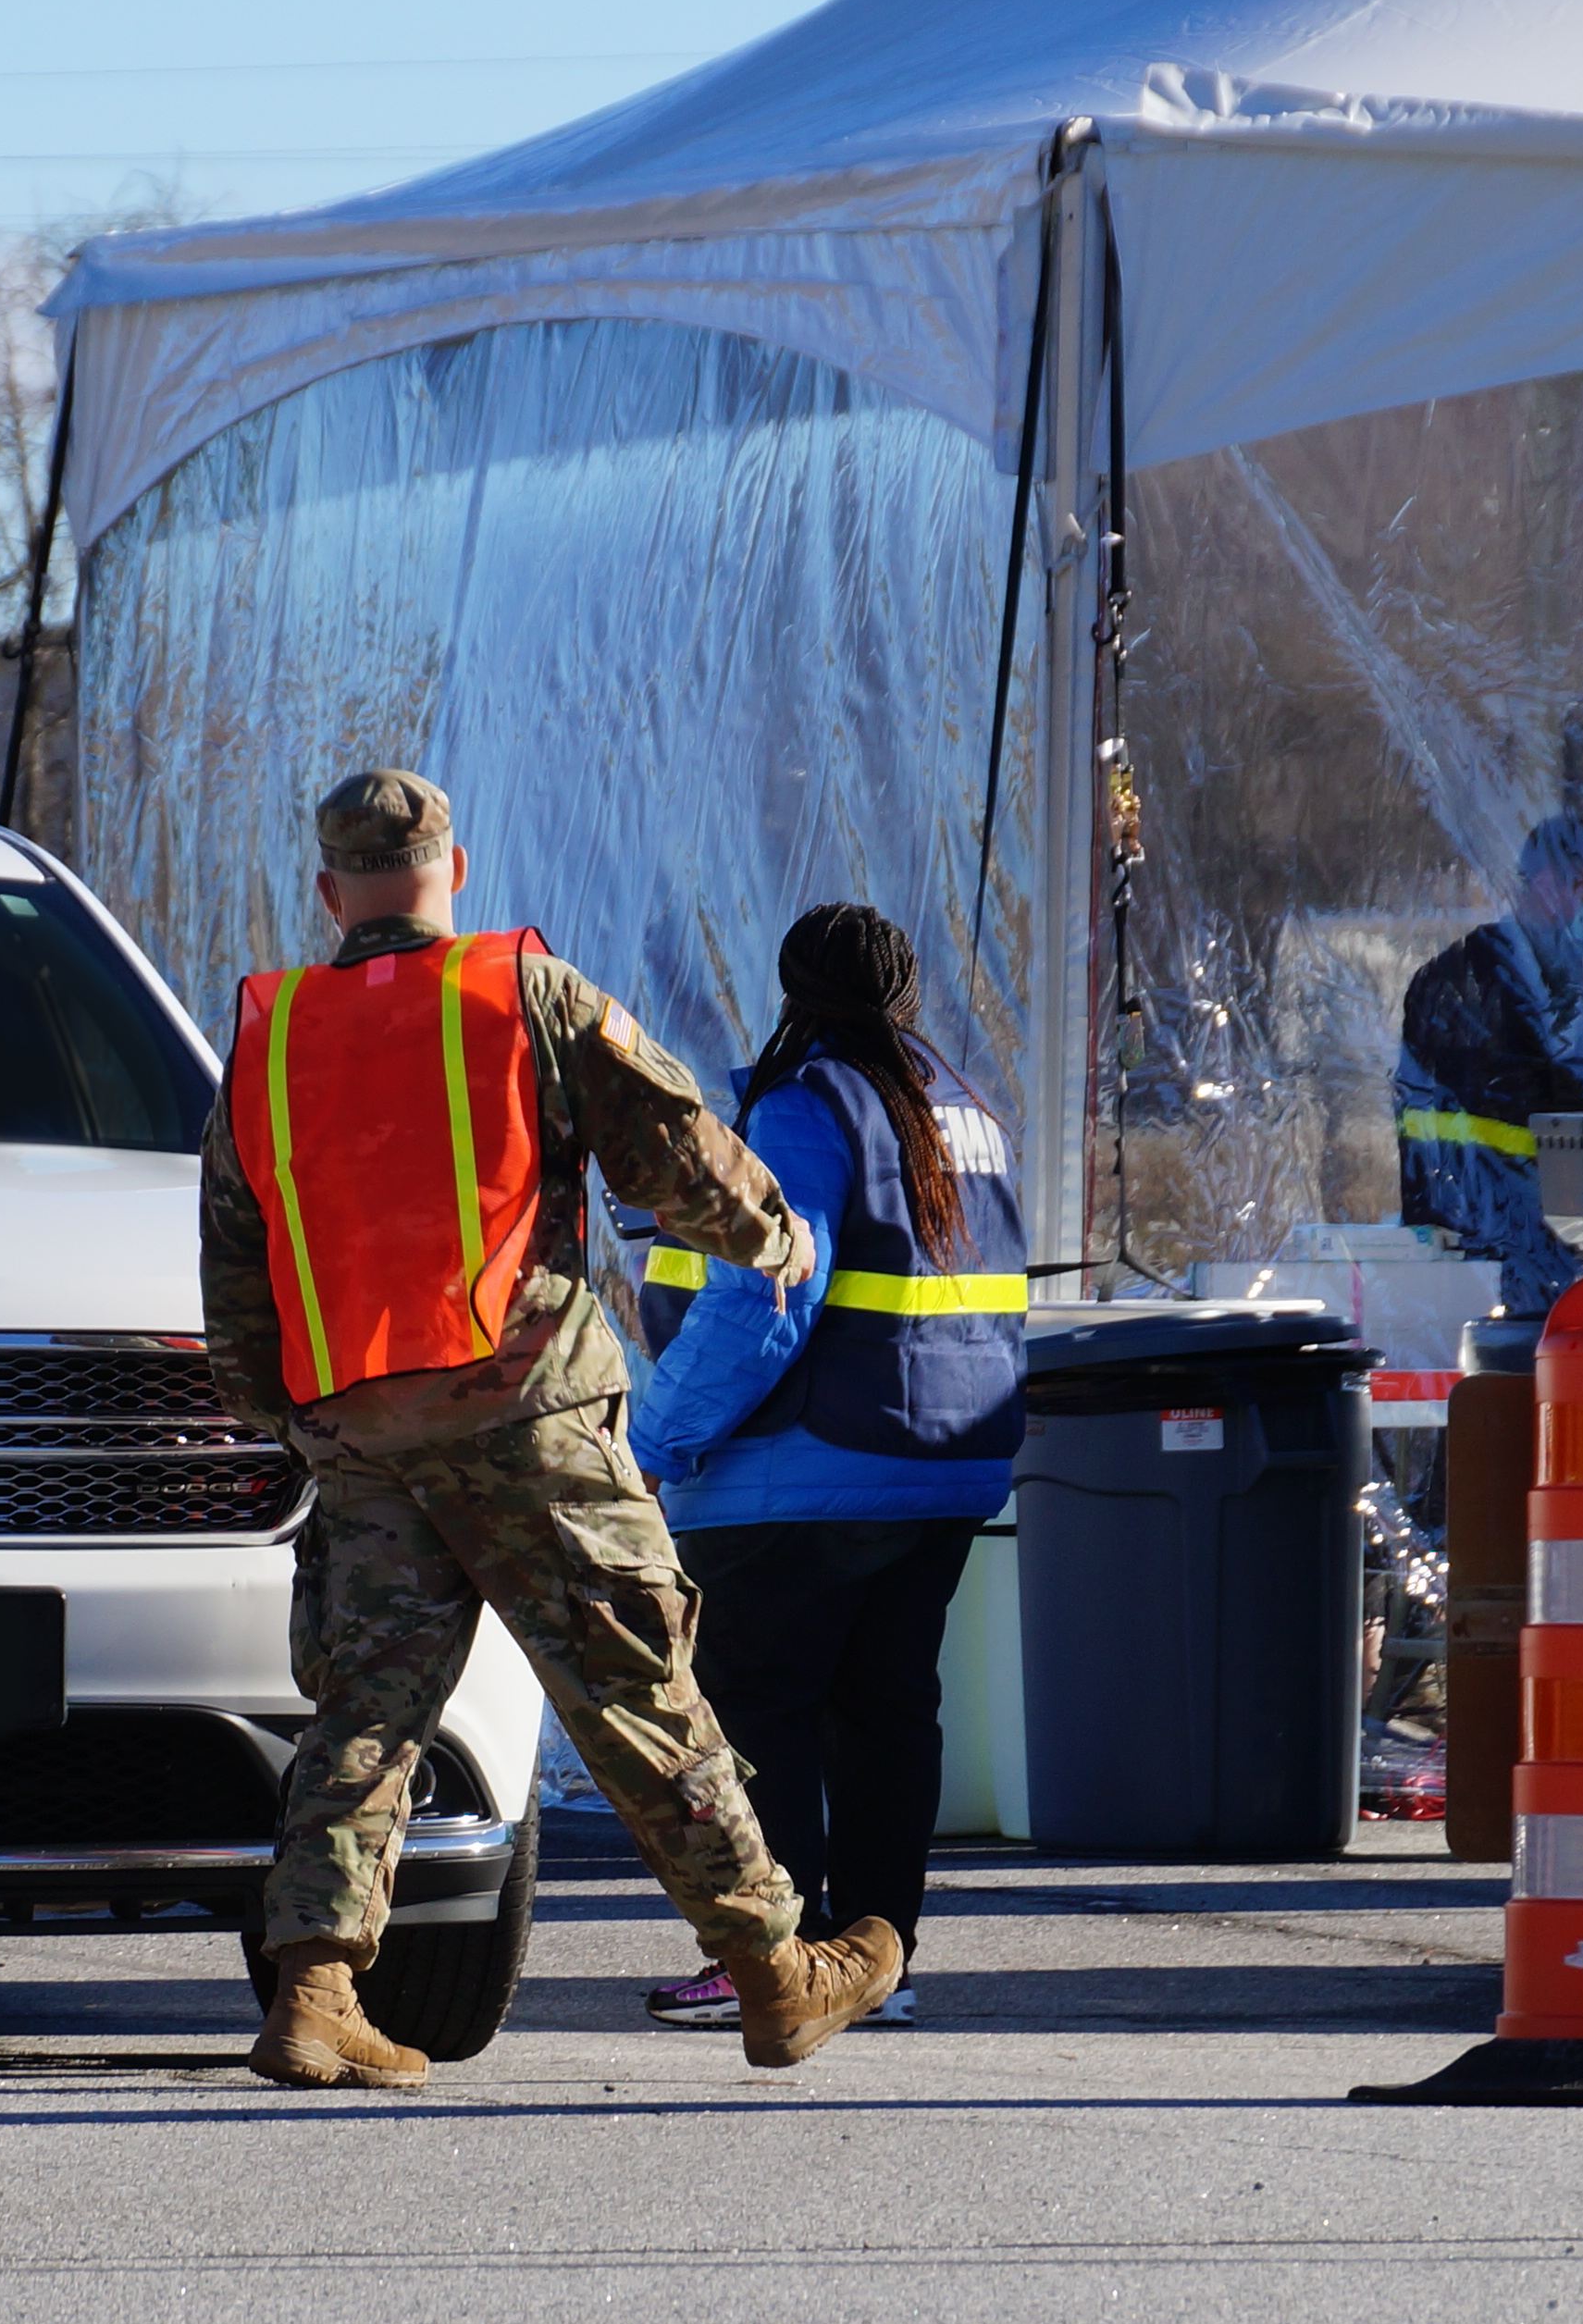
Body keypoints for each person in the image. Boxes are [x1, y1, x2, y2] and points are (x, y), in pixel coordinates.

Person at [196, 769, 909, 2090]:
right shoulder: (527, 993)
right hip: (531, 1413)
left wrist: (295, 1427)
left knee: (364, 1712)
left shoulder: (271, 1036)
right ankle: (772, 1971)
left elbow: (235, 1273)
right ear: (452, 873)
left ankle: (312, 1990)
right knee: (637, 1688)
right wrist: (776, 1235)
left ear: (328, 891)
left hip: (357, 1425)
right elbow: (673, 1150)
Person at [622, 904, 1023, 2034]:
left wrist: (652, 1442)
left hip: (801, 1471)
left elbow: (765, 1300)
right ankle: (882, 1958)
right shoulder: (971, 1115)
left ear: (792, 991)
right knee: (890, 1713)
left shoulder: (798, 1108)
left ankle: (777, 1961)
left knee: (761, 1714)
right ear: (907, 996)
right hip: (945, 1463)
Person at [1392, 809, 1583, 1315]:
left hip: (1544, 1248)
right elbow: (1541, 1108)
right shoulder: (1471, 981)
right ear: (1546, 884)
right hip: (1485, 1252)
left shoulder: (1568, 982)